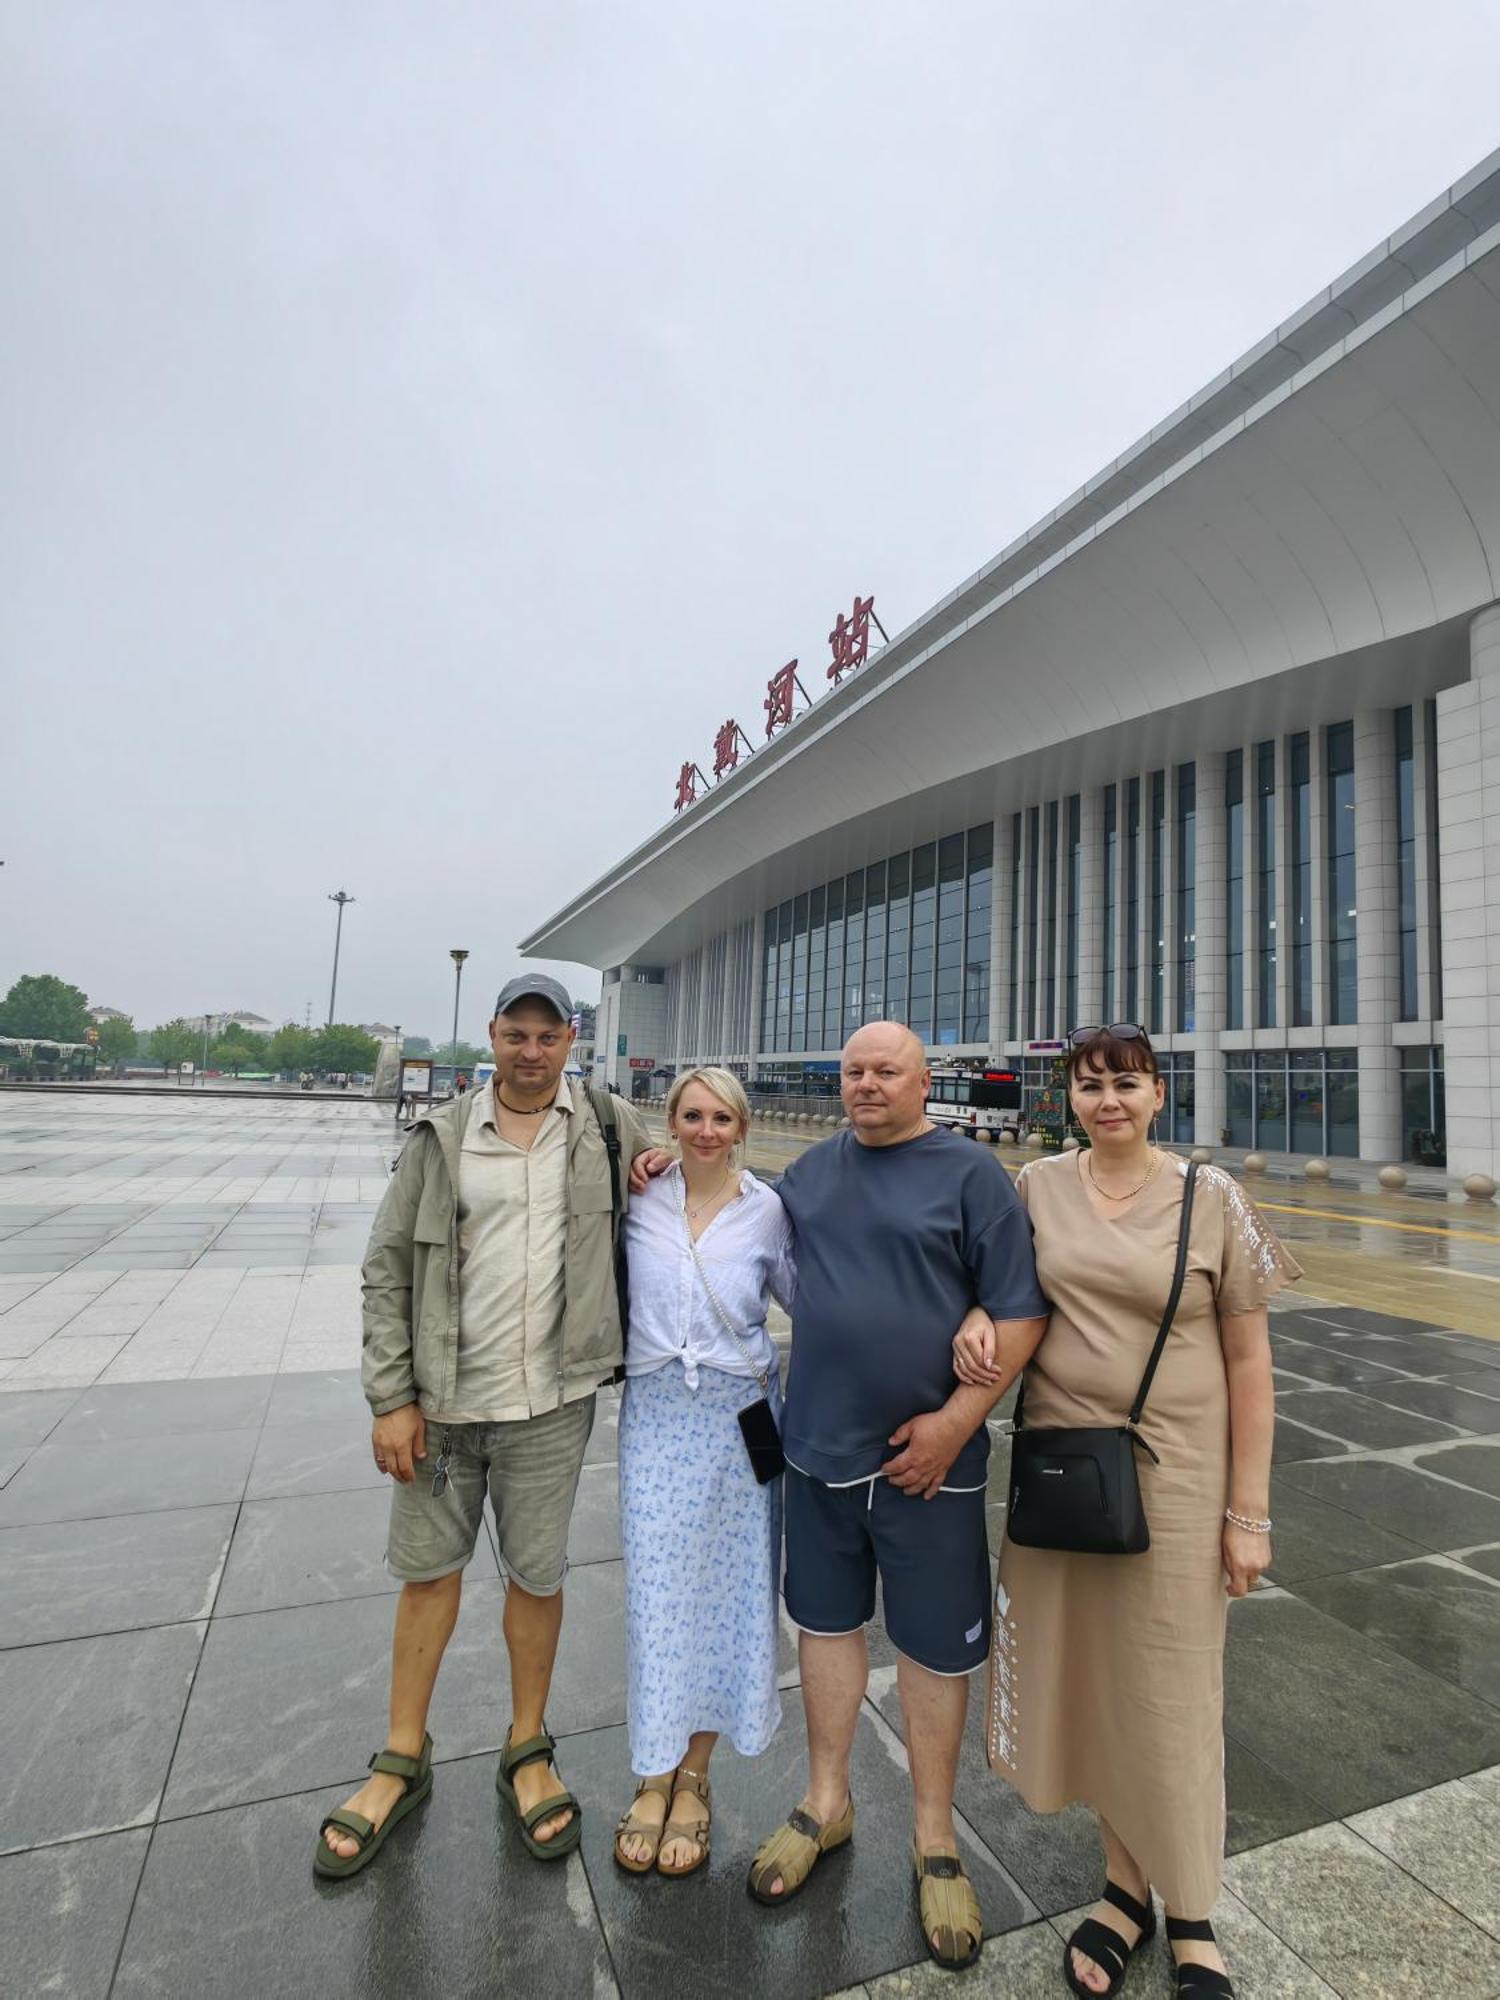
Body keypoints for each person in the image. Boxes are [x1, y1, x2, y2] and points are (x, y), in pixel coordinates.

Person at [954, 1024, 1297, 2000]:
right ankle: (1122, 1889)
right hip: (1067, 1477)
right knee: (1098, 1686)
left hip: (1182, 1481)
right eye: (1091, 1084)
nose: (1109, 1099)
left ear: (1159, 1094)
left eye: (1128, 1082)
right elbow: (996, 1292)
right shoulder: (1035, 1188)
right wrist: (979, 1318)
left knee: (1174, 1695)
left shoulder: (1210, 1196)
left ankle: (1191, 1910)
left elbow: (1249, 1366)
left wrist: (1252, 1512)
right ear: (1070, 1097)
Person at [314, 975, 658, 1878]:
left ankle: (528, 1746)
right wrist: (391, 1398)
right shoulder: (442, 1137)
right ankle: (401, 1754)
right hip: (444, 1404)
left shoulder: (608, 1126)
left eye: (550, 1035)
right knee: (428, 1577)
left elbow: (701, 1163)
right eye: (518, 1033)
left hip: (550, 1403)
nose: (533, 1050)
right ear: (495, 1036)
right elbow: (386, 1268)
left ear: (571, 1041)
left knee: (537, 1578)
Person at [746, 1023, 1049, 1972]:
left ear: (926, 1083)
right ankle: (826, 1802)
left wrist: (959, 1420)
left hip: (930, 1465)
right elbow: (720, 1216)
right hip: (818, 1450)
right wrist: (658, 1161)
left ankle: (934, 1838)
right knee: (825, 1628)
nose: (866, 1085)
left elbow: (1022, 1310)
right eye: (853, 1072)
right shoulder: (807, 1174)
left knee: (930, 1648)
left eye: (886, 1071)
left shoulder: (971, 1176)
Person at [611, 1066, 795, 1878]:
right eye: (692, 1115)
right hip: (656, 1415)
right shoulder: (638, 1199)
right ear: (669, 1123)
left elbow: (813, 1300)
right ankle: (651, 1769)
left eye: (723, 1117)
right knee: (659, 1594)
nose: (707, 1130)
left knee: (729, 1594)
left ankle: (694, 1776)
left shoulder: (768, 1212)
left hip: (739, 1420)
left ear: (742, 1127)